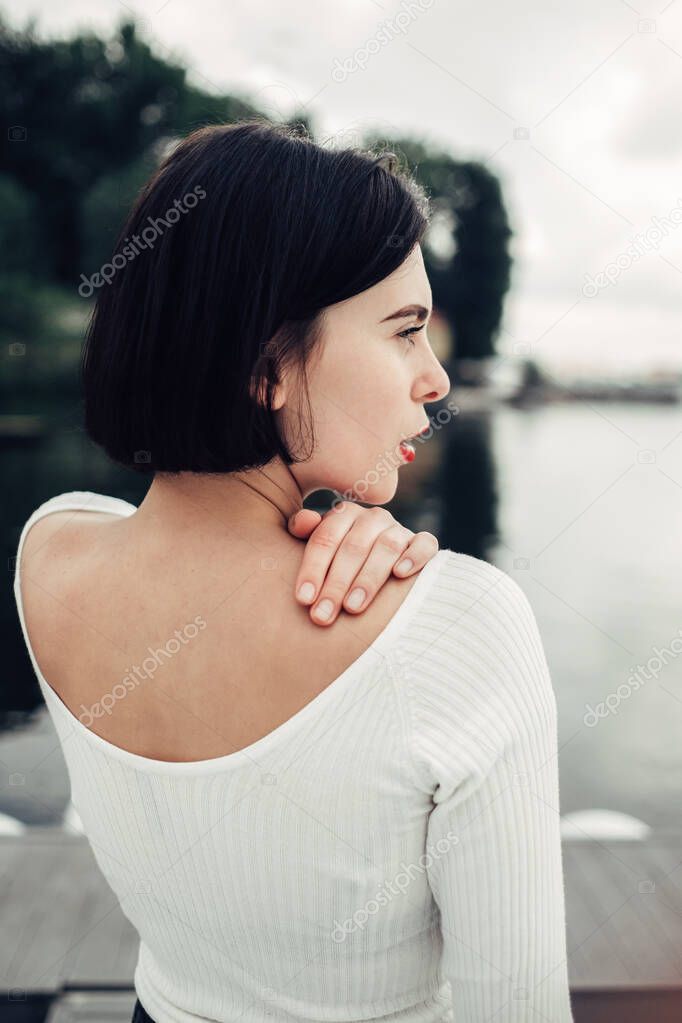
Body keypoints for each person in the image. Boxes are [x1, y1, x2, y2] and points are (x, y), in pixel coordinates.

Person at [13, 120, 573, 1022]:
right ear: (269, 363)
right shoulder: (462, 626)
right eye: (403, 332)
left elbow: (182, 529)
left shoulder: (50, 551)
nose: (436, 379)